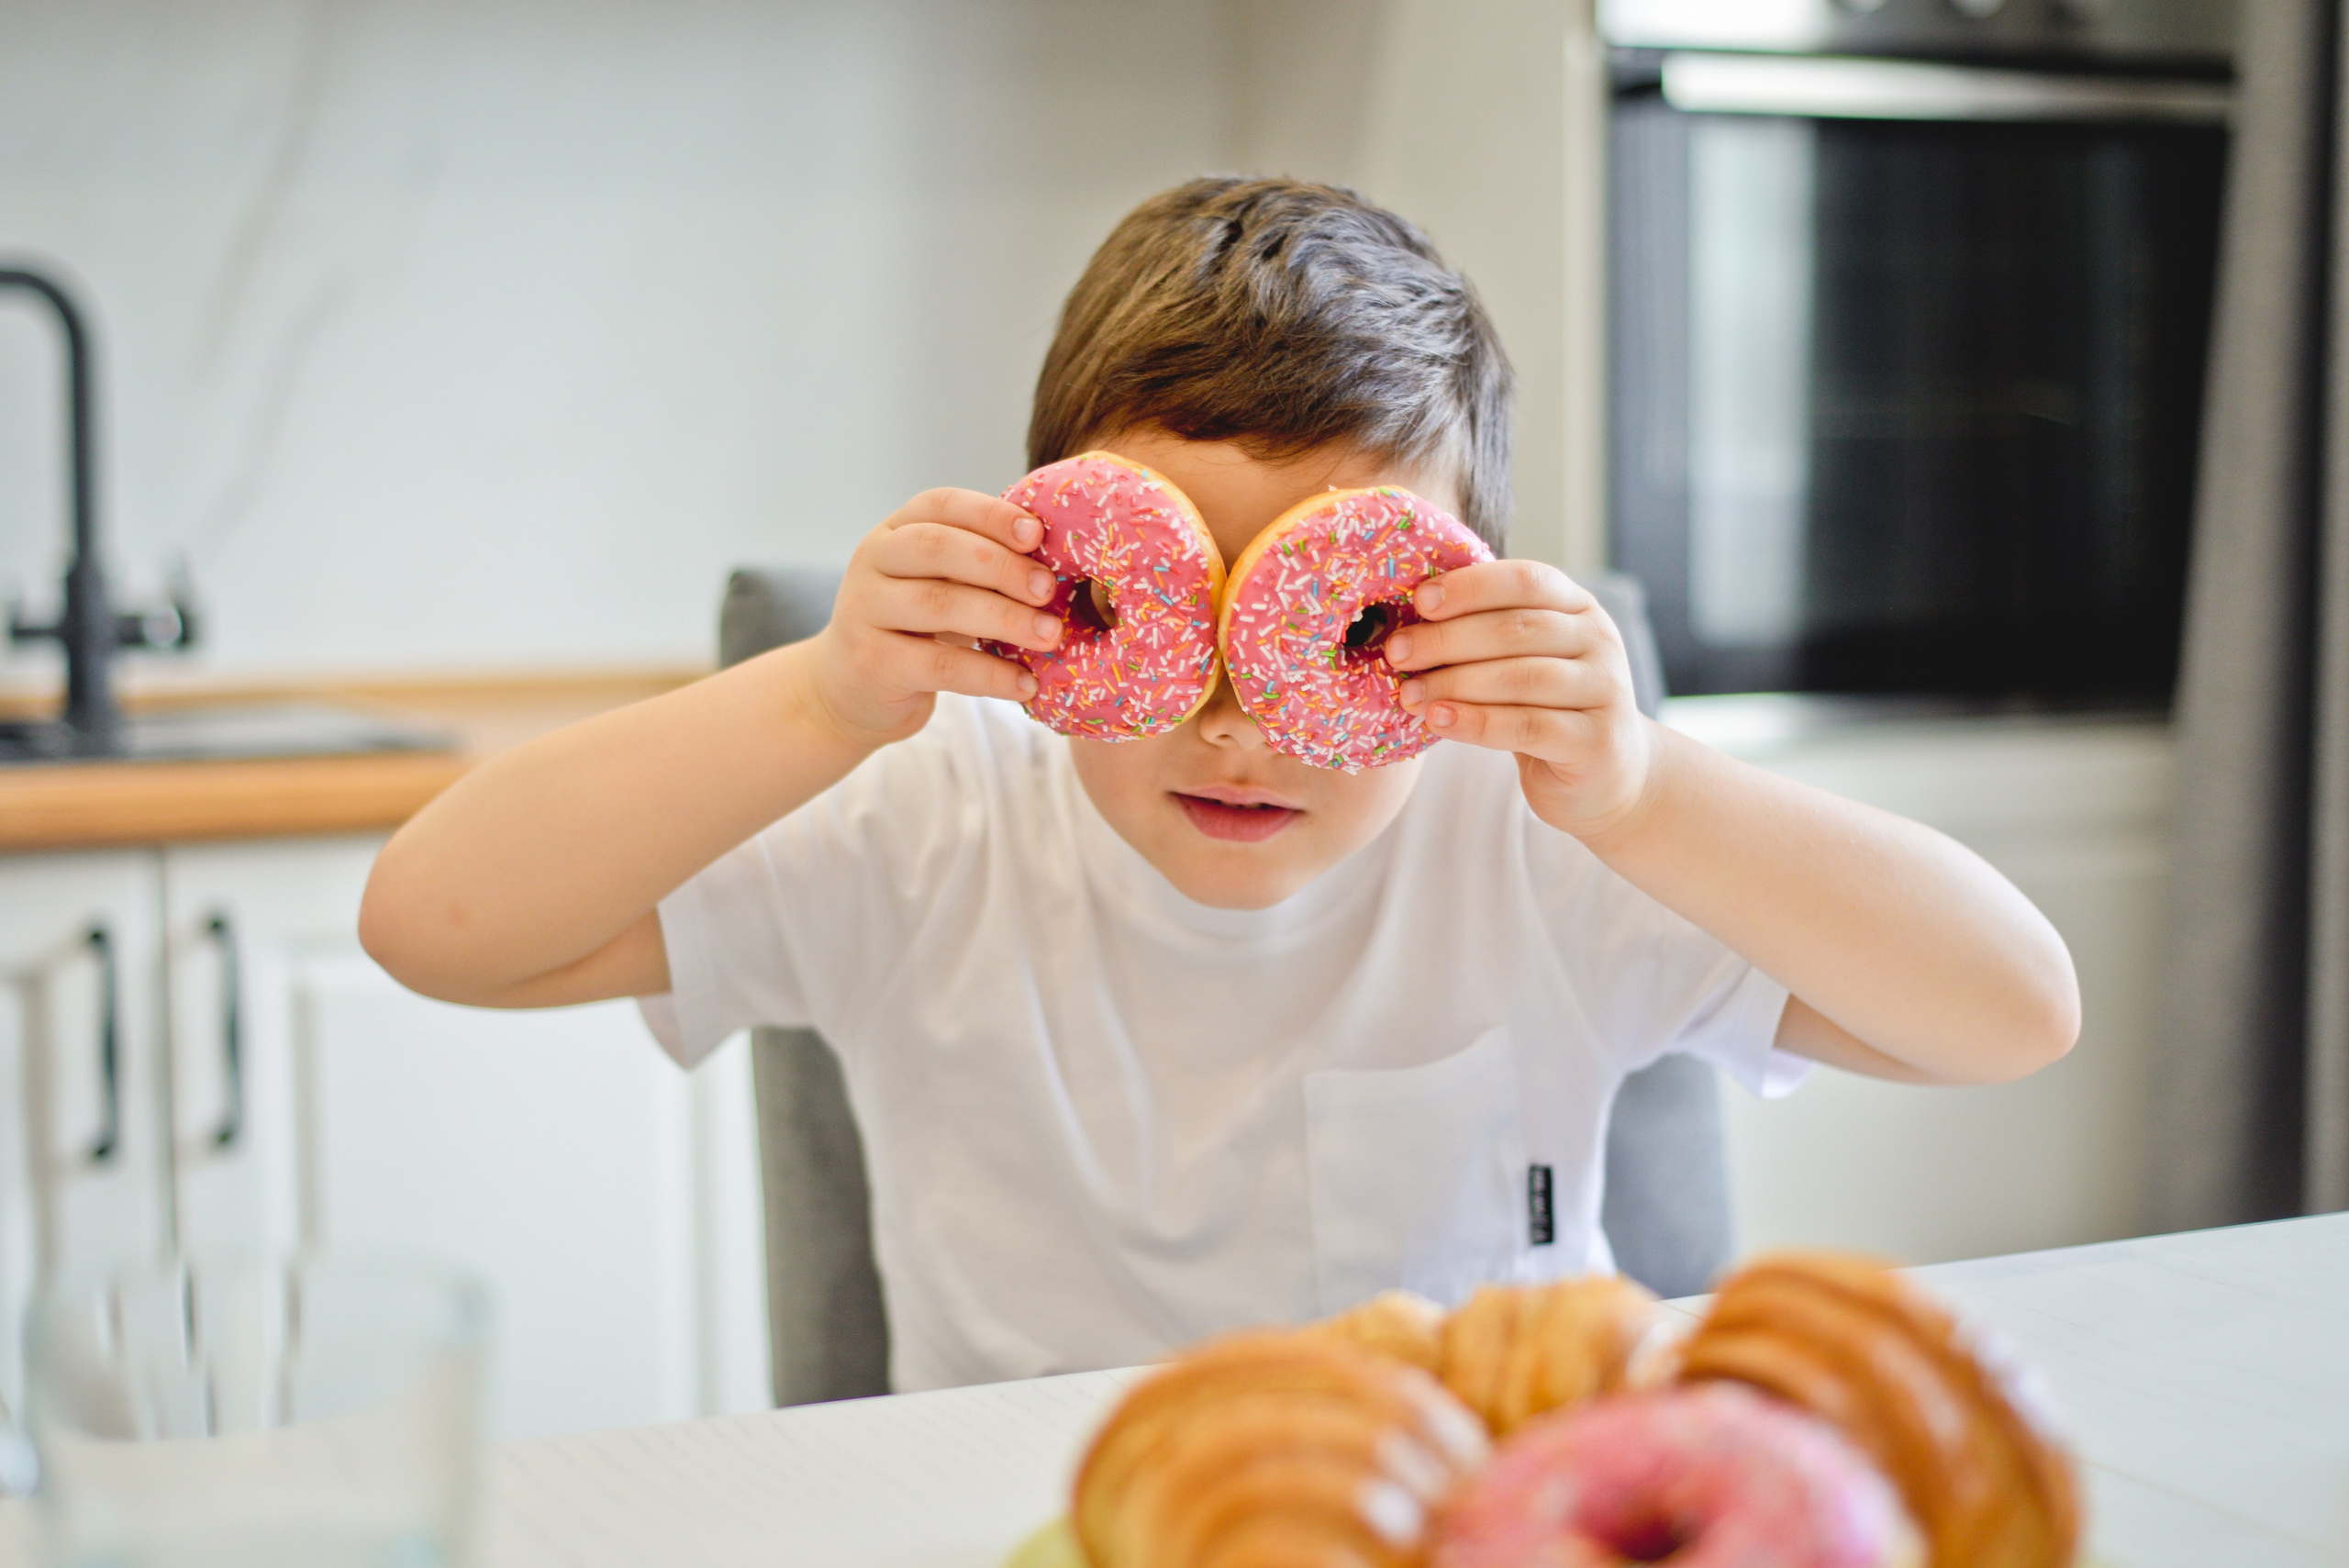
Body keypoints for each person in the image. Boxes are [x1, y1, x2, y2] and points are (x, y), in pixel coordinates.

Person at [360, 176, 2078, 1395]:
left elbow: (2015, 1013)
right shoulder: (927, 812)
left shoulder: (1543, 828)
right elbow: (431, 923)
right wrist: (822, 699)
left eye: (1335, 627)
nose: (1239, 724)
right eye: (1150, 605)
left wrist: (1636, 792)